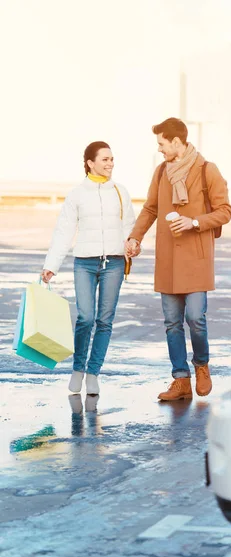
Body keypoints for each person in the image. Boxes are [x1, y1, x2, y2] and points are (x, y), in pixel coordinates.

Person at [125, 118, 231, 401]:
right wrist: (135, 237)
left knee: (196, 318)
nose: (159, 149)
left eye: (161, 143)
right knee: (172, 323)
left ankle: (201, 366)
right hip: (168, 260)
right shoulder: (161, 172)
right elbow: (150, 208)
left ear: (176, 141)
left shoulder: (207, 170)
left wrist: (193, 222)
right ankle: (180, 380)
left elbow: (224, 212)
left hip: (196, 257)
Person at [42, 141, 135, 395]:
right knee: (86, 318)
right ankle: (78, 369)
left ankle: (93, 373)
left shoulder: (120, 191)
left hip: (114, 263)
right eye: (105, 159)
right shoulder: (77, 194)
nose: (110, 164)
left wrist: (132, 244)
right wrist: (51, 265)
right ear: (90, 163)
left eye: (112, 159)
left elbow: (129, 226)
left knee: (105, 321)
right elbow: (64, 232)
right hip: (84, 262)